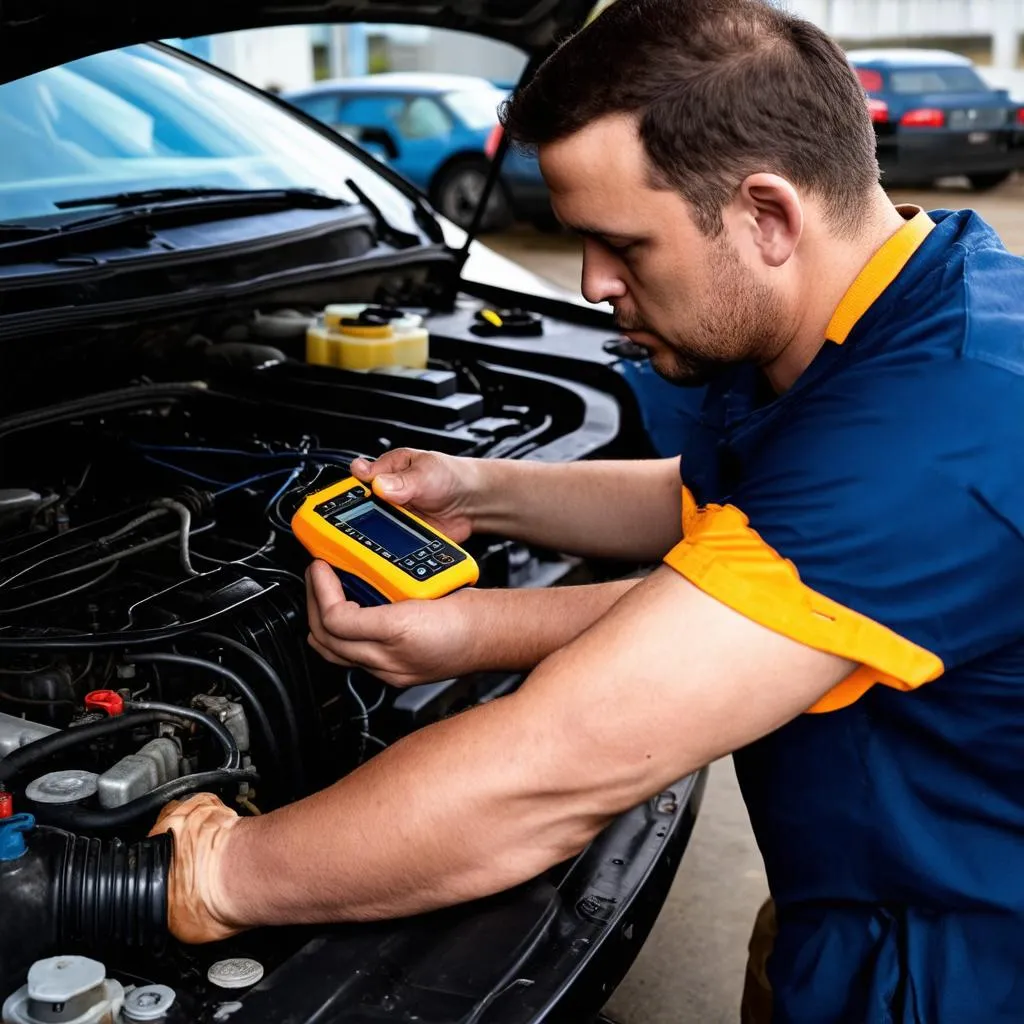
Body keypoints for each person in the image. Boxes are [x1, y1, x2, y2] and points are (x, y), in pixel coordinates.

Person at [151, 0, 1024, 1019]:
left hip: (960, 960)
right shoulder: (898, 307)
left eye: (621, 244)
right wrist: (483, 487)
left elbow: (547, 771)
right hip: (860, 893)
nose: (591, 282)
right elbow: (725, 513)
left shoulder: (932, 433)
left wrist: (217, 871)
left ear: (768, 217)